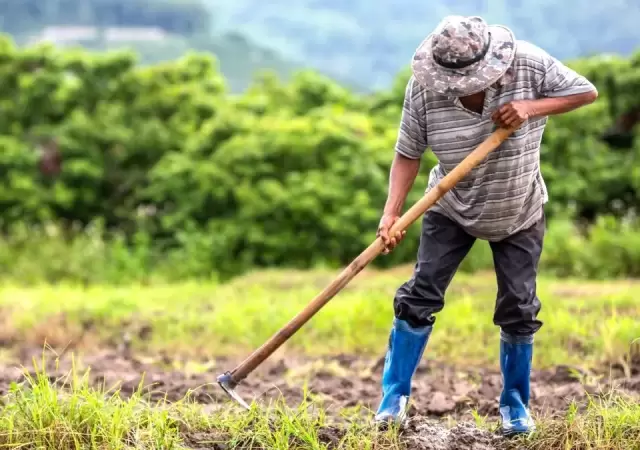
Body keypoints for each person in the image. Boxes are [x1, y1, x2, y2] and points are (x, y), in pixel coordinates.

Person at [374, 15, 598, 436]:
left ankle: (515, 406)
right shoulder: (424, 88)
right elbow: (408, 153)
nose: (461, 88)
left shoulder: (529, 64)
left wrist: (530, 108)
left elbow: (585, 91)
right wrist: (392, 213)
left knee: (518, 306)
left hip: (519, 207)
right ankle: (393, 401)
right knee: (420, 295)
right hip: (449, 204)